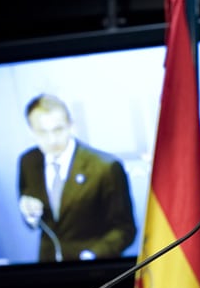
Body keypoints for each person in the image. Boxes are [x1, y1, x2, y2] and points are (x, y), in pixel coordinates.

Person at [17, 93, 137, 262]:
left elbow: (125, 229)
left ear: (71, 125)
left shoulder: (105, 167)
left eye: (58, 130)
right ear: (31, 131)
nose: (52, 140)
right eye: (42, 132)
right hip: (47, 268)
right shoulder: (28, 162)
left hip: (94, 270)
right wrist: (30, 215)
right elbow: (32, 220)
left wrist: (93, 255)